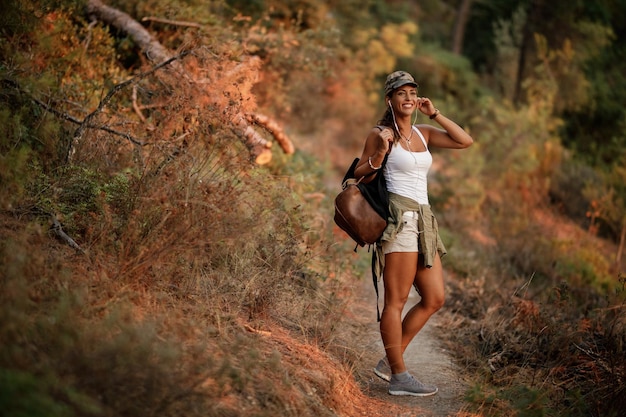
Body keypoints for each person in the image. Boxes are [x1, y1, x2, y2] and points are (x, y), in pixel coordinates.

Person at [353, 71, 473, 396]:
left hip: (425, 222)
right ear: (389, 99)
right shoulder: (380, 133)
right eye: (400, 93)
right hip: (400, 220)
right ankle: (399, 377)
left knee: (435, 298)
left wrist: (436, 114)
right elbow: (357, 174)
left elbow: (465, 140)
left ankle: (391, 360)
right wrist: (379, 154)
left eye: (411, 92)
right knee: (397, 300)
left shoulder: (425, 133)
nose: (407, 97)